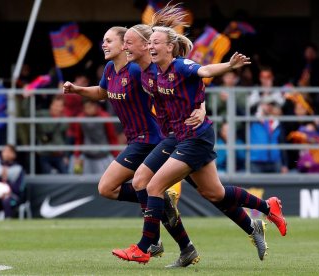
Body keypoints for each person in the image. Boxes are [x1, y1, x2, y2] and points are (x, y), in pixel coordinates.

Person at [112, 25, 287, 265]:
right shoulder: (147, 73)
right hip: (177, 136)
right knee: (214, 192)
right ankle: (267, 207)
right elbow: (186, 89)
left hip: (194, 137)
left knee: (151, 185)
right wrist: (199, 103)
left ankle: (146, 246)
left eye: (129, 42)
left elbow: (202, 72)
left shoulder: (177, 65)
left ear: (165, 47)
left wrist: (227, 67)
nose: (125, 47)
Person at [62, 25, 195, 258]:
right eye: (103, 40)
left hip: (151, 139)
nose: (104, 44)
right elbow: (102, 93)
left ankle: (154, 237)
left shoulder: (136, 70)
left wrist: (196, 108)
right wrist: (77, 90)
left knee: (108, 187)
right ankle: (185, 247)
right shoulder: (110, 70)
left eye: (109, 41)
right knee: (129, 190)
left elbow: (165, 81)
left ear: (124, 44)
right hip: (136, 140)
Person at [72, 99, 119, 174]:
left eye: (90, 106)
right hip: (87, 156)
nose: (88, 109)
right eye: (86, 107)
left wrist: (116, 155)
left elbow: (112, 137)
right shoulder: (80, 119)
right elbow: (79, 138)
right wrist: (77, 155)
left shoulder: (105, 118)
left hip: (103, 156)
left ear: (95, 106)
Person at [0, 144, 25, 219]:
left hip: (12, 196)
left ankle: (9, 221)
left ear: (14, 154)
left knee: (7, 201)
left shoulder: (18, 169)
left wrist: (8, 186)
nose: (6, 153)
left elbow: (19, 188)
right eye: (4, 151)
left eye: (9, 151)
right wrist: (0, 178)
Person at [36, 95, 69, 174]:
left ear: (62, 108)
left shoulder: (65, 121)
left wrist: (66, 155)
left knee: (66, 175)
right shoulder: (42, 115)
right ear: (51, 105)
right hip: (44, 153)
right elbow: (27, 114)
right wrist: (28, 98)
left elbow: (67, 139)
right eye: (55, 105)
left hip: (59, 155)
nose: (57, 108)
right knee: (48, 175)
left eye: (60, 106)